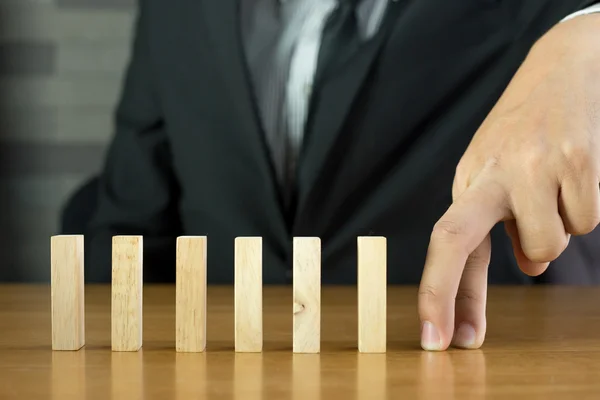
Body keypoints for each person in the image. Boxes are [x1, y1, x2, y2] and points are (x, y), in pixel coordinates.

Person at [61, 0, 600, 351]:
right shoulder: (175, 14)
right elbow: (130, 219)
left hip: (460, 361)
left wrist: (586, 38)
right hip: (219, 366)